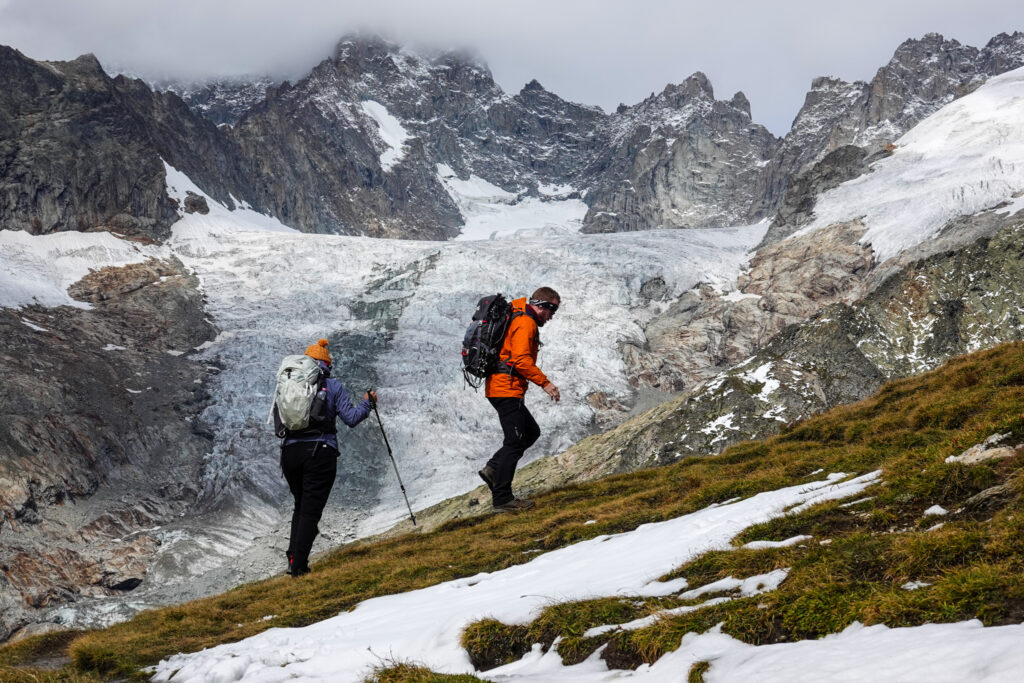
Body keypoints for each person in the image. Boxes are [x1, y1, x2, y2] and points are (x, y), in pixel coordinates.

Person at [279, 339, 376, 576]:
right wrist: (368, 404)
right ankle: (299, 567)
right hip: (320, 452)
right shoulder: (331, 385)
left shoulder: (287, 384)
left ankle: (293, 556)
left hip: (289, 452)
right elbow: (351, 418)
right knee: (311, 510)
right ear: (326, 364)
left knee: (300, 505)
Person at [478, 287, 561, 512]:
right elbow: (522, 361)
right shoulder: (526, 323)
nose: (551, 317)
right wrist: (546, 383)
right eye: (551, 311)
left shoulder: (517, 315)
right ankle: (503, 500)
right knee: (514, 442)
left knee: (531, 432)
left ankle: (494, 468)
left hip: (503, 387)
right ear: (543, 306)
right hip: (506, 388)